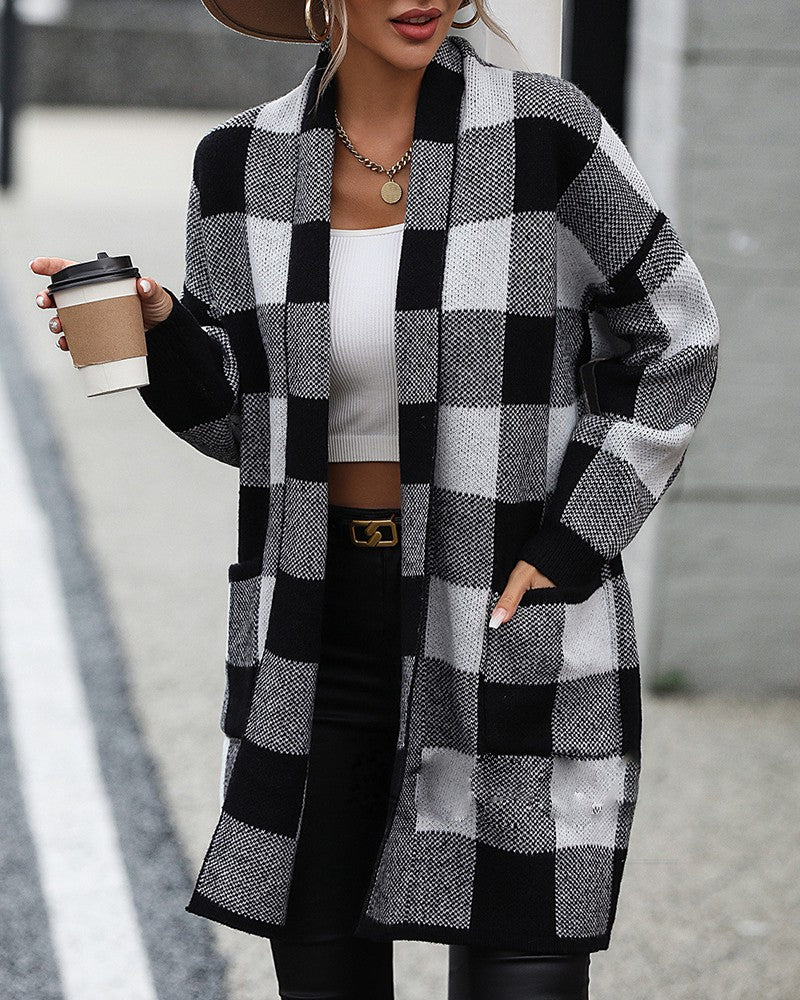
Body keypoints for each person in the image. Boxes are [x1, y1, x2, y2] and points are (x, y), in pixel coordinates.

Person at [30, 1, 720, 997]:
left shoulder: (547, 135)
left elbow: (676, 337)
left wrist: (573, 539)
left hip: (495, 615)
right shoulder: (241, 163)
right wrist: (164, 332)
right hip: (315, 634)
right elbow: (242, 422)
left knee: (525, 959)